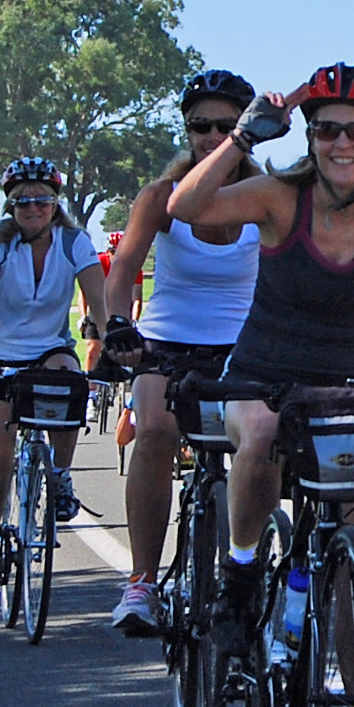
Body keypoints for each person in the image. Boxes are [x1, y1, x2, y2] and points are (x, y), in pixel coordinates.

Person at [168, 62, 354, 660]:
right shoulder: (281, 197)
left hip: (344, 390)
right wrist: (244, 136)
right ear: (308, 137)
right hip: (258, 377)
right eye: (327, 129)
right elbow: (186, 206)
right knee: (257, 430)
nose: (342, 143)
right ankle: (242, 570)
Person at [100, 71, 262, 636]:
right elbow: (122, 270)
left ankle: (253, 561)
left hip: (243, 351)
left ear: (248, 132)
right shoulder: (161, 198)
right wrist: (118, 324)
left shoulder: (269, 199)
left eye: (227, 125)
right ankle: (141, 581)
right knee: (154, 433)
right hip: (167, 346)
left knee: (267, 441)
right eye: (200, 126)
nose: (212, 136)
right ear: (187, 131)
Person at [0, 158, 109, 611]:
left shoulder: (73, 241)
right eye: (22, 201)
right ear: (11, 206)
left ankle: (60, 476)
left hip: (48, 349)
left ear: (55, 203)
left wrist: (110, 340)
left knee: (69, 379)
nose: (33, 207)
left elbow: (98, 302)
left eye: (42, 199)